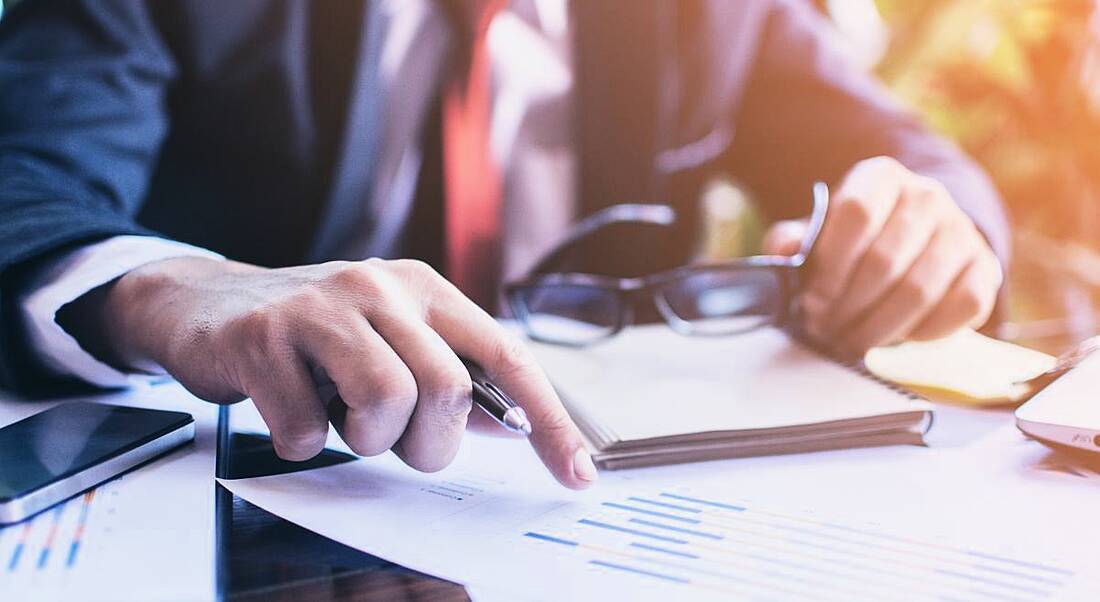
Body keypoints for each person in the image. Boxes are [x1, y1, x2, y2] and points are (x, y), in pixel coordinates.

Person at [0, 0, 1008, 490]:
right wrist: (179, 289)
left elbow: (905, 152)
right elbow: (24, 176)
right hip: (281, 483)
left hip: (609, 494)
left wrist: (938, 227)